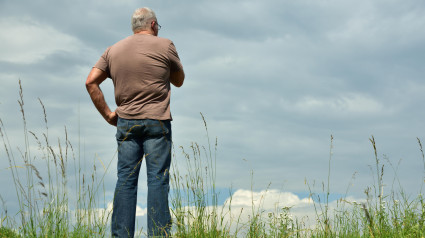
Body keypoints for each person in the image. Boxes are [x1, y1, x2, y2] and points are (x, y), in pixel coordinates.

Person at [85, 7, 185, 237]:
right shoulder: (166, 45)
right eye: (158, 26)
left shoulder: (113, 50)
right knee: (157, 181)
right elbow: (179, 80)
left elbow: (91, 82)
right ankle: (159, 234)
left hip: (126, 122)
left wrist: (109, 115)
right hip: (157, 122)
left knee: (126, 181)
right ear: (152, 25)